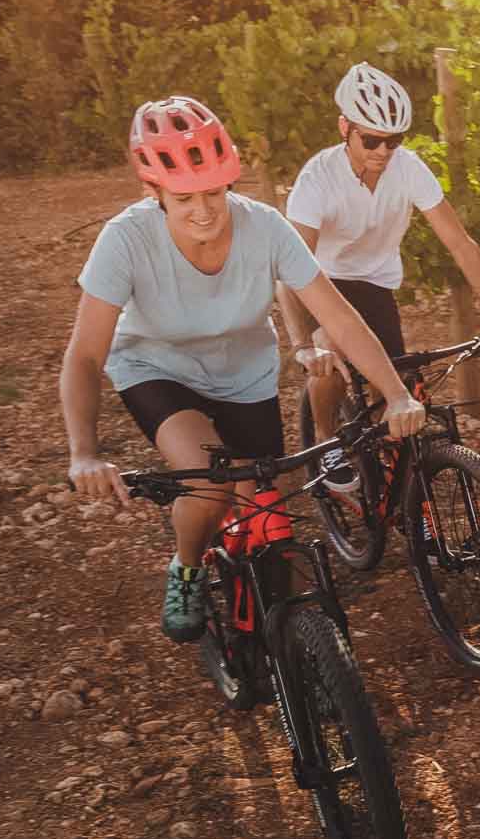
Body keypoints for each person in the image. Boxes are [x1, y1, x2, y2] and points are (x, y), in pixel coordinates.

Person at [61, 95, 426, 639]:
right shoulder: (125, 240)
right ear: (152, 191)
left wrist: (396, 393)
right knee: (207, 480)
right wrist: (84, 454)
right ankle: (185, 568)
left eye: (214, 191)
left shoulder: (266, 228)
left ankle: (282, 639)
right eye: (183, 196)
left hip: (244, 374)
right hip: (157, 368)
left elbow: (341, 320)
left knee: (263, 511)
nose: (203, 209)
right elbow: (85, 356)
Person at [278, 62, 480, 490]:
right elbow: (291, 269)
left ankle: (393, 484)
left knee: (396, 388)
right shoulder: (317, 178)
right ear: (344, 128)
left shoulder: (407, 169)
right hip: (321, 279)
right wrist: (305, 343)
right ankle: (324, 441)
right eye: (371, 139)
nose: (383, 151)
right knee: (330, 355)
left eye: (394, 141)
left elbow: (460, 243)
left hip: (375, 284)